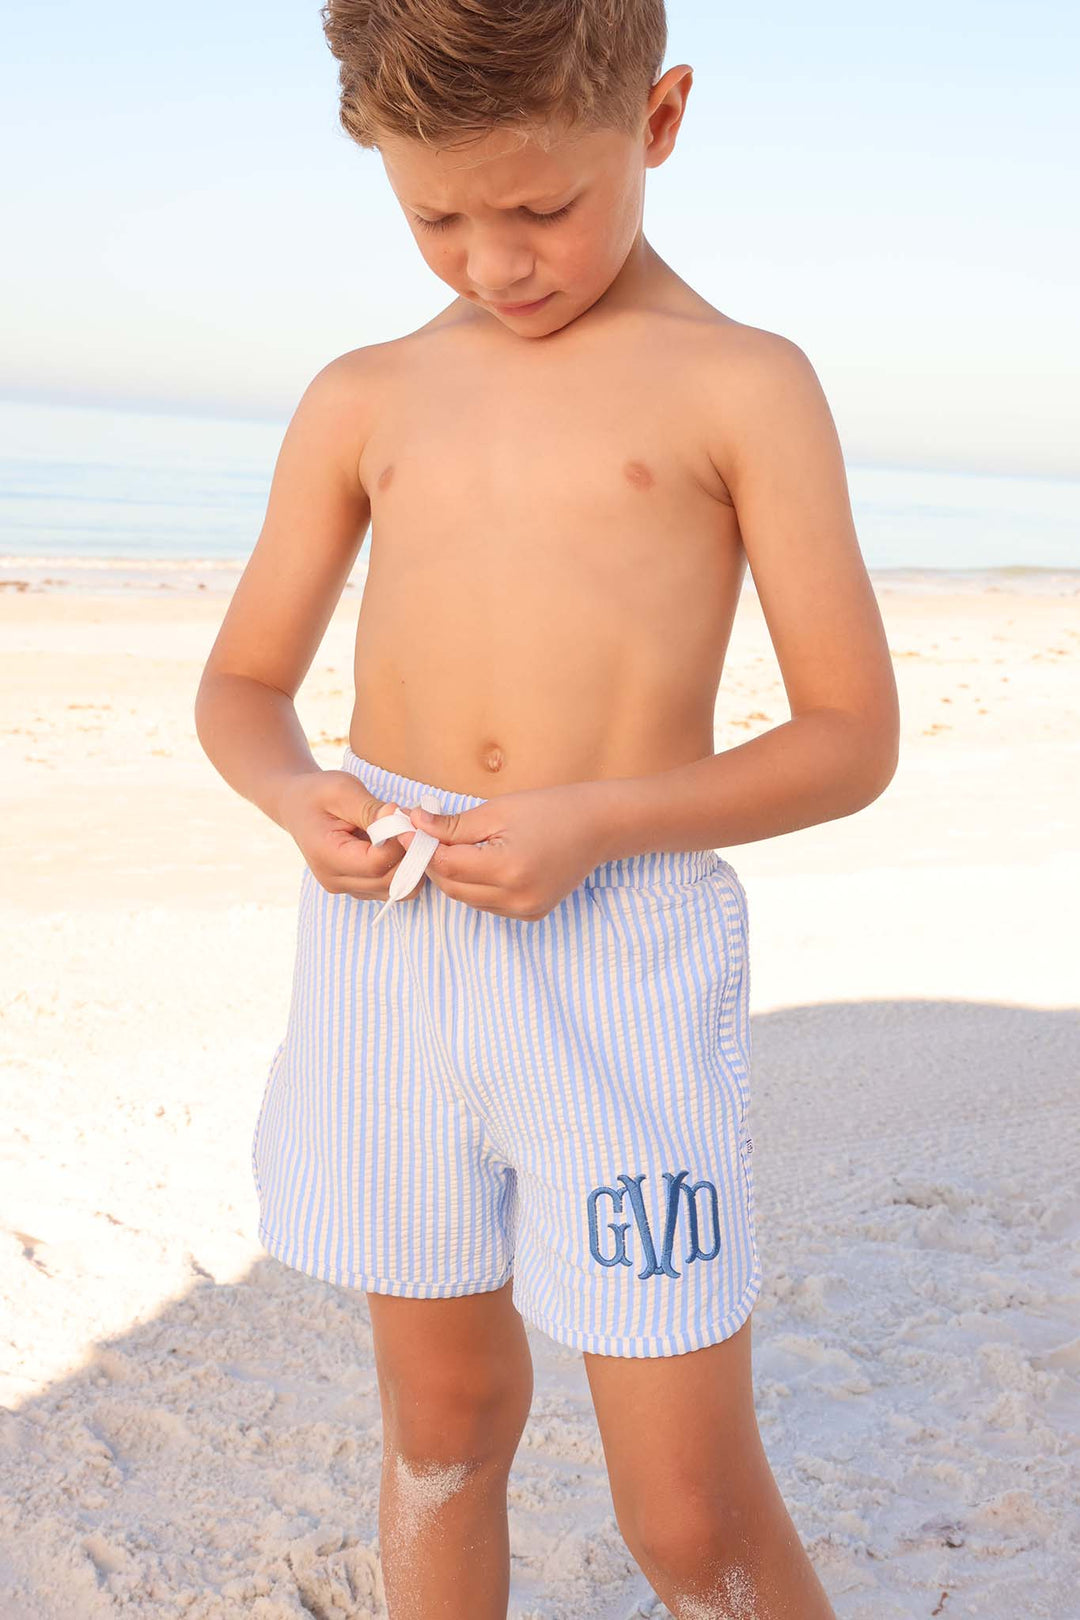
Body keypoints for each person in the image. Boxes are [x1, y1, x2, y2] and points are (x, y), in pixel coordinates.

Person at [194, 1, 899, 1613]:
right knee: (442, 1422)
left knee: (685, 1510)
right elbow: (241, 687)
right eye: (437, 216)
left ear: (656, 122)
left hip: (621, 952)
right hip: (389, 945)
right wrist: (296, 790)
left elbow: (853, 736)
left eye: (541, 211)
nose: (494, 263)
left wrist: (599, 823)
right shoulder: (364, 396)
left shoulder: (743, 386)